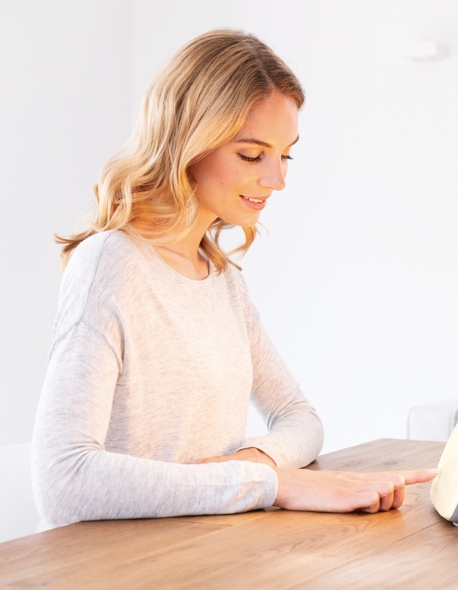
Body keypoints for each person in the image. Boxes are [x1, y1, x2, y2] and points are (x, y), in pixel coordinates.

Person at [32, 30, 437, 530]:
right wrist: (274, 485)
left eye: (285, 154)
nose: (278, 179)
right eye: (252, 155)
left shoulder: (222, 280)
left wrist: (257, 464)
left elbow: (300, 417)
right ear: (188, 142)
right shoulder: (110, 265)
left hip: (212, 557)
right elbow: (63, 480)